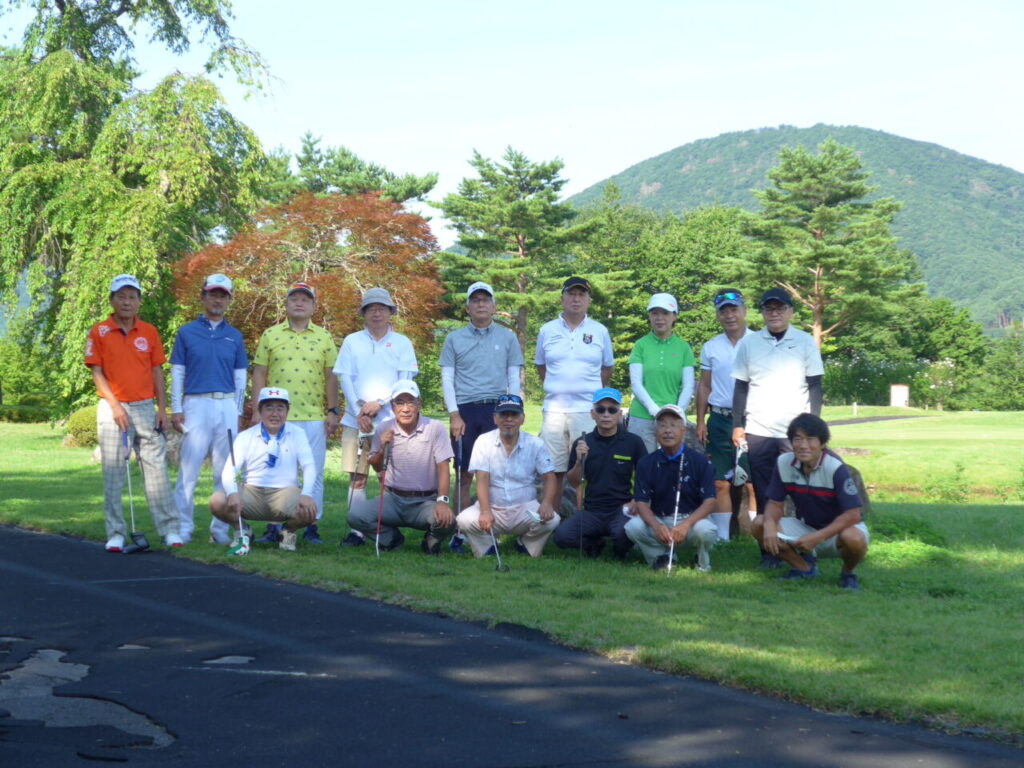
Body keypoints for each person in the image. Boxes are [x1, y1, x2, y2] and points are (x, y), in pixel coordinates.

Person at [85, 273, 181, 551]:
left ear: (139, 301)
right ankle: (116, 532)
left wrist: (161, 408)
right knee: (114, 472)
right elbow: (96, 372)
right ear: (112, 300)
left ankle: (169, 529)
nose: (127, 302)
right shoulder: (99, 331)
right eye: (121, 297)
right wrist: (115, 405)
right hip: (111, 406)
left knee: (157, 470)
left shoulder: (149, 332)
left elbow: (156, 371)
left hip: (144, 406)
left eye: (132, 297)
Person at [731, 287, 824, 568]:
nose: (774, 313)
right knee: (763, 493)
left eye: (780, 308)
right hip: (759, 429)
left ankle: (803, 548)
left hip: (795, 432)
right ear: (761, 313)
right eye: (768, 309)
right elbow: (741, 386)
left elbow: (815, 385)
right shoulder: (749, 343)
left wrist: (813, 427)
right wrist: (738, 425)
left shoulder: (805, 341)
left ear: (790, 312)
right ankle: (769, 552)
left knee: (802, 492)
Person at [250, 282, 340, 545]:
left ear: (313, 306)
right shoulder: (271, 334)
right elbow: (260, 372)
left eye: (305, 299)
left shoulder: (324, 337)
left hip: (313, 416)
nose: (299, 303)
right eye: (294, 299)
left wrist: (332, 410)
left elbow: (331, 376)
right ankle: (274, 526)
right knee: (276, 471)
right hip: (276, 416)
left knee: (314, 473)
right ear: (286, 304)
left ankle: (311, 524)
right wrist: (257, 410)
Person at [440, 281, 524, 553]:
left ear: (494, 306)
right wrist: (454, 414)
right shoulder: (454, 338)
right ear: (467, 307)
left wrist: (514, 409)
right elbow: (447, 378)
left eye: (485, 300)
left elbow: (513, 375)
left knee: (496, 472)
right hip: (465, 410)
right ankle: (461, 531)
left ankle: (492, 528)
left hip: (496, 409)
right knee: (464, 473)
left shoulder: (507, 337)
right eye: (475, 300)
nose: (480, 304)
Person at [333, 287, 418, 547]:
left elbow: (405, 380)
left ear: (390, 312)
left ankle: (387, 528)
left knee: (388, 477)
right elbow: (344, 377)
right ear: (364, 313)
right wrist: (359, 409)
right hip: (355, 419)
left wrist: (379, 403)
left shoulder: (402, 342)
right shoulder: (352, 341)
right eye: (371, 309)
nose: (377, 313)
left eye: (382, 308)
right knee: (357, 476)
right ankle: (357, 530)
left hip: (391, 419)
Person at [169, 273, 248, 545]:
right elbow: (178, 372)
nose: (217, 300)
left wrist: (238, 412)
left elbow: (240, 378)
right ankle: (183, 527)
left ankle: (219, 530)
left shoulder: (234, 336)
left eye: (223, 296)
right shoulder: (186, 332)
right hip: (196, 403)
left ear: (229, 300)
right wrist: (176, 408)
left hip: (226, 404)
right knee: (188, 469)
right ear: (203, 297)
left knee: (225, 472)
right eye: (213, 294)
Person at [752, 414, 869, 590]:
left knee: (854, 538)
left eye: (810, 439)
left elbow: (853, 515)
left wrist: (818, 537)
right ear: (791, 442)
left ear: (822, 443)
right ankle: (804, 569)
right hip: (806, 526)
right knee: (759, 523)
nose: (803, 445)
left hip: (838, 531)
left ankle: (848, 573)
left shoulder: (835, 467)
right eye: (798, 439)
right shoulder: (784, 462)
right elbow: (775, 503)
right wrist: (769, 524)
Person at [346, 380, 454, 554]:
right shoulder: (384, 427)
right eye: (400, 403)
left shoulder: (435, 428)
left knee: (448, 521)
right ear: (392, 406)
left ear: (419, 404)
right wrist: (382, 448)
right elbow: (376, 466)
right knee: (355, 516)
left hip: (425, 501)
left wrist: (442, 502)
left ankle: (431, 540)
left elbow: (443, 468)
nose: (405, 409)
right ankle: (391, 539)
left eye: (411, 402)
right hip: (393, 499)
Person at [211, 387, 317, 554]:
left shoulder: (298, 433)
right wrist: (232, 493)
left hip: (285, 493)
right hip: (252, 492)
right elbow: (229, 469)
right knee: (217, 500)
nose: (274, 414)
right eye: (269, 408)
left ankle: (287, 532)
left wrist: (306, 494)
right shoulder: (245, 436)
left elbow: (309, 466)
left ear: (287, 411)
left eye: (280, 408)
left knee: (310, 510)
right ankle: (242, 530)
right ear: (259, 411)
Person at [456, 395, 560, 557]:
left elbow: (549, 477)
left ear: (522, 419)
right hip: (493, 508)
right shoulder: (483, 441)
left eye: (514, 415)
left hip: (525, 509)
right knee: (464, 519)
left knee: (553, 519)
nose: (509, 419)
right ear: (495, 418)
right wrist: (485, 511)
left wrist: (547, 503)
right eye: (504, 414)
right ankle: (487, 547)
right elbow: (482, 479)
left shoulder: (535, 443)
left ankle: (526, 544)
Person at [535, 276, 614, 486]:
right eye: (571, 294)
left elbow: (607, 367)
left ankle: (582, 509)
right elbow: (541, 366)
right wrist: (559, 389)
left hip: (586, 410)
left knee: (585, 470)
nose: (576, 299)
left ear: (589, 300)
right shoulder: (547, 330)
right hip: (554, 411)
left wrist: (589, 391)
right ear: (562, 299)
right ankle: (554, 509)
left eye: (581, 295)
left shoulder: (599, 330)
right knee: (552, 471)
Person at [553, 388, 647, 559]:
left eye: (612, 410)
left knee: (622, 536)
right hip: (592, 511)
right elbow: (573, 482)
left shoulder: (634, 442)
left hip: (622, 509)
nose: (606, 414)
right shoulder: (582, 442)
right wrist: (580, 461)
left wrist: (635, 502)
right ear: (593, 414)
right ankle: (594, 544)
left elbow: (646, 479)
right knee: (562, 536)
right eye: (600, 409)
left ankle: (621, 549)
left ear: (619, 414)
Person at [694, 289, 757, 539]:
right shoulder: (711, 346)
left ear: (744, 311)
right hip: (719, 418)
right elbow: (704, 385)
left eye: (734, 309)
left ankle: (758, 536)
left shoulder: (759, 342)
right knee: (720, 481)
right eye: (724, 311)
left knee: (752, 481)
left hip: (753, 418)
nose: (729, 315)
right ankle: (722, 538)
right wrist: (701, 420)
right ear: (718, 315)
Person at [625, 405, 718, 570]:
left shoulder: (701, 461)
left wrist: (686, 524)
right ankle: (663, 558)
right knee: (633, 527)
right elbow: (641, 502)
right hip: (660, 519)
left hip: (691, 520)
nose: (667, 430)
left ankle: (702, 562)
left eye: (673, 425)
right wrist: (656, 526)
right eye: (662, 425)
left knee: (705, 530)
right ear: (656, 431)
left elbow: (710, 502)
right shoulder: (646, 463)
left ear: (683, 430)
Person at [627, 293, 696, 453]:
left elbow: (688, 386)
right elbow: (636, 384)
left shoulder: (683, 347)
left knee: (672, 464)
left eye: (665, 313)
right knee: (643, 464)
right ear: (649, 316)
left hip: (673, 419)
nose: (659, 318)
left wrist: (676, 412)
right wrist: (655, 410)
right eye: (654, 313)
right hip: (642, 417)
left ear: (674, 316)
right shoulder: (640, 345)